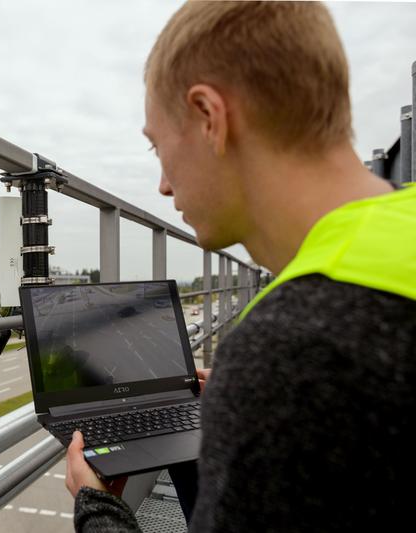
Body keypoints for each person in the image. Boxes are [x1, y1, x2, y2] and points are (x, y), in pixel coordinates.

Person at [65, 2, 416, 532]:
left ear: (210, 117)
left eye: (158, 146)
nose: (163, 185)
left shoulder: (293, 355)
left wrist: (96, 509)